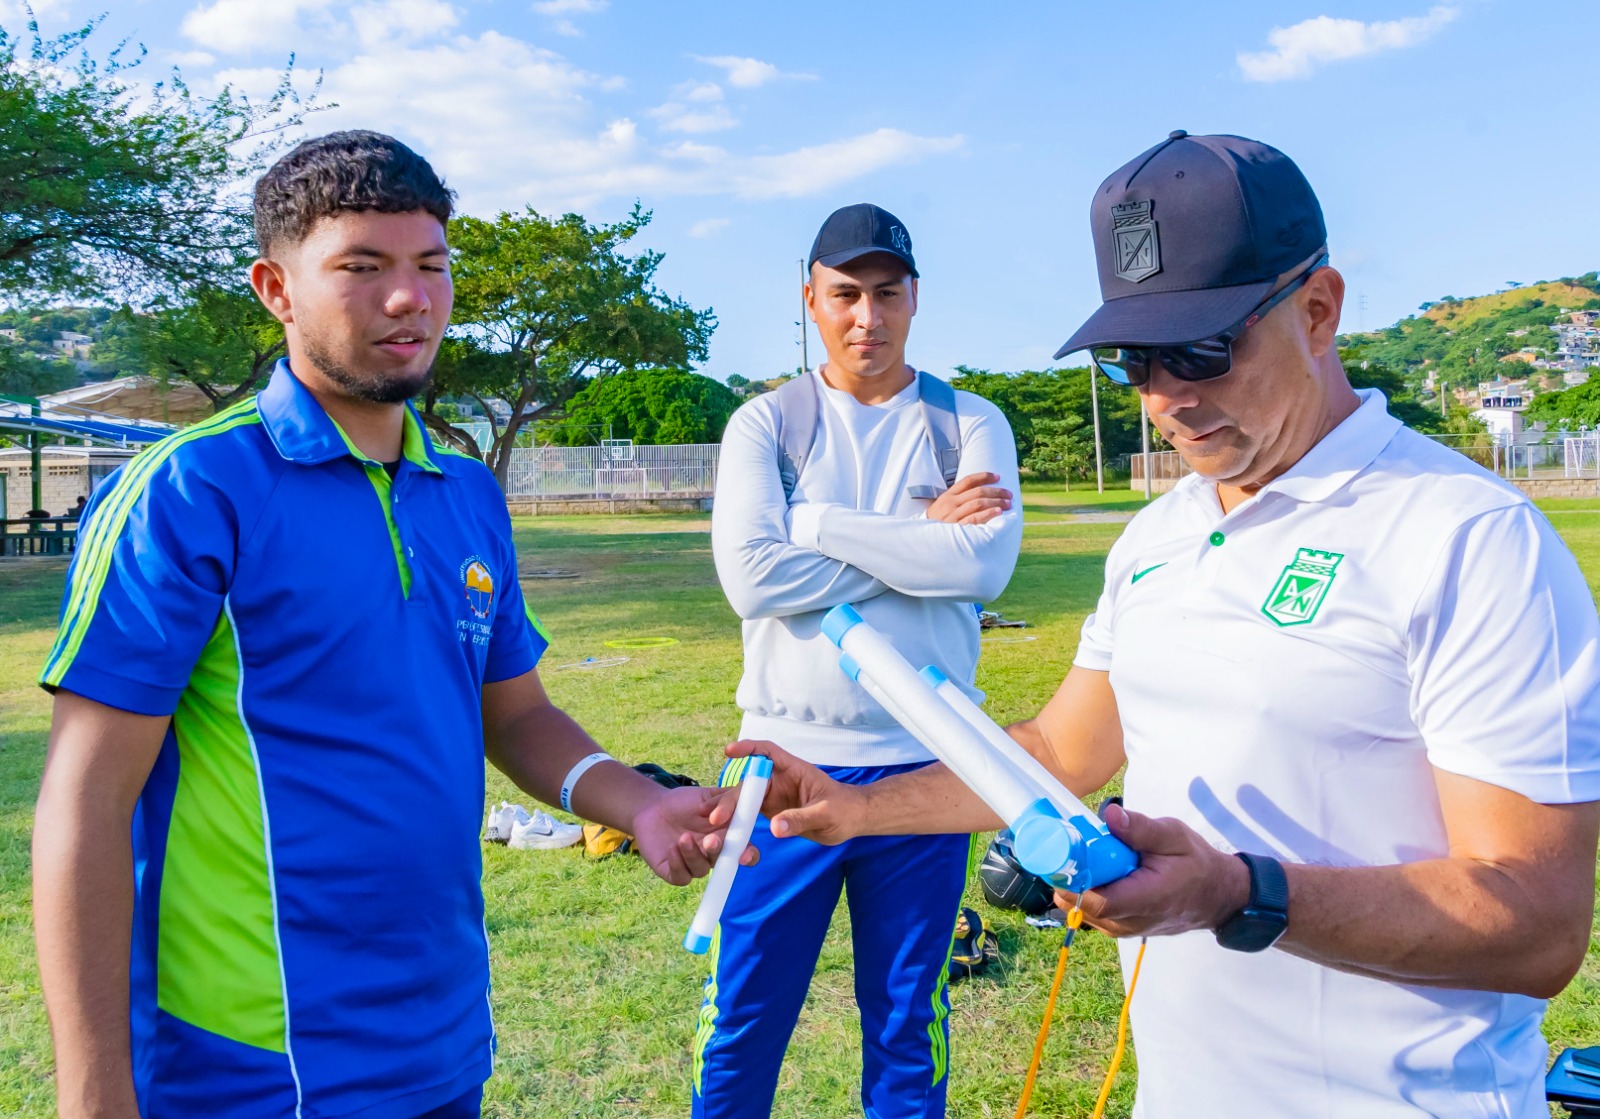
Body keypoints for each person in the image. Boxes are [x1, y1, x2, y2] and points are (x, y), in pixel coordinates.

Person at [728, 133, 1600, 1117]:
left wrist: (1234, 894)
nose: (1166, 399)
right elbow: (1060, 749)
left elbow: (1535, 928)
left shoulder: (1469, 538)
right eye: (1130, 361)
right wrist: (852, 809)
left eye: (1201, 349)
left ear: (1318, 310)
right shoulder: (1156, 536)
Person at [32, 131, 745, 1119]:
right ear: (276, 289)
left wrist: (639, 806)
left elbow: (514, 714)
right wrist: (94, 1090)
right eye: (361, 269)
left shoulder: (464, 492)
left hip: (441, 1042)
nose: (409, 299)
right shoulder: (191, 493)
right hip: (250, 1062)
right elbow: (84, 802)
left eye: (430, 267)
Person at [699, 203, 1023, 1119]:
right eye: (845, 294)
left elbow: (982, 563)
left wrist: (821, 527)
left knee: (906, 1019)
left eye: (887, 294)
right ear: (811, 299)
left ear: (916, 297)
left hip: (929, 766)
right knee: (744, 1016)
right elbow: (754, 579)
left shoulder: (969, 422)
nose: (866, 317)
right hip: (782, 767)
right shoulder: (768, 423)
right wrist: (920, 532)